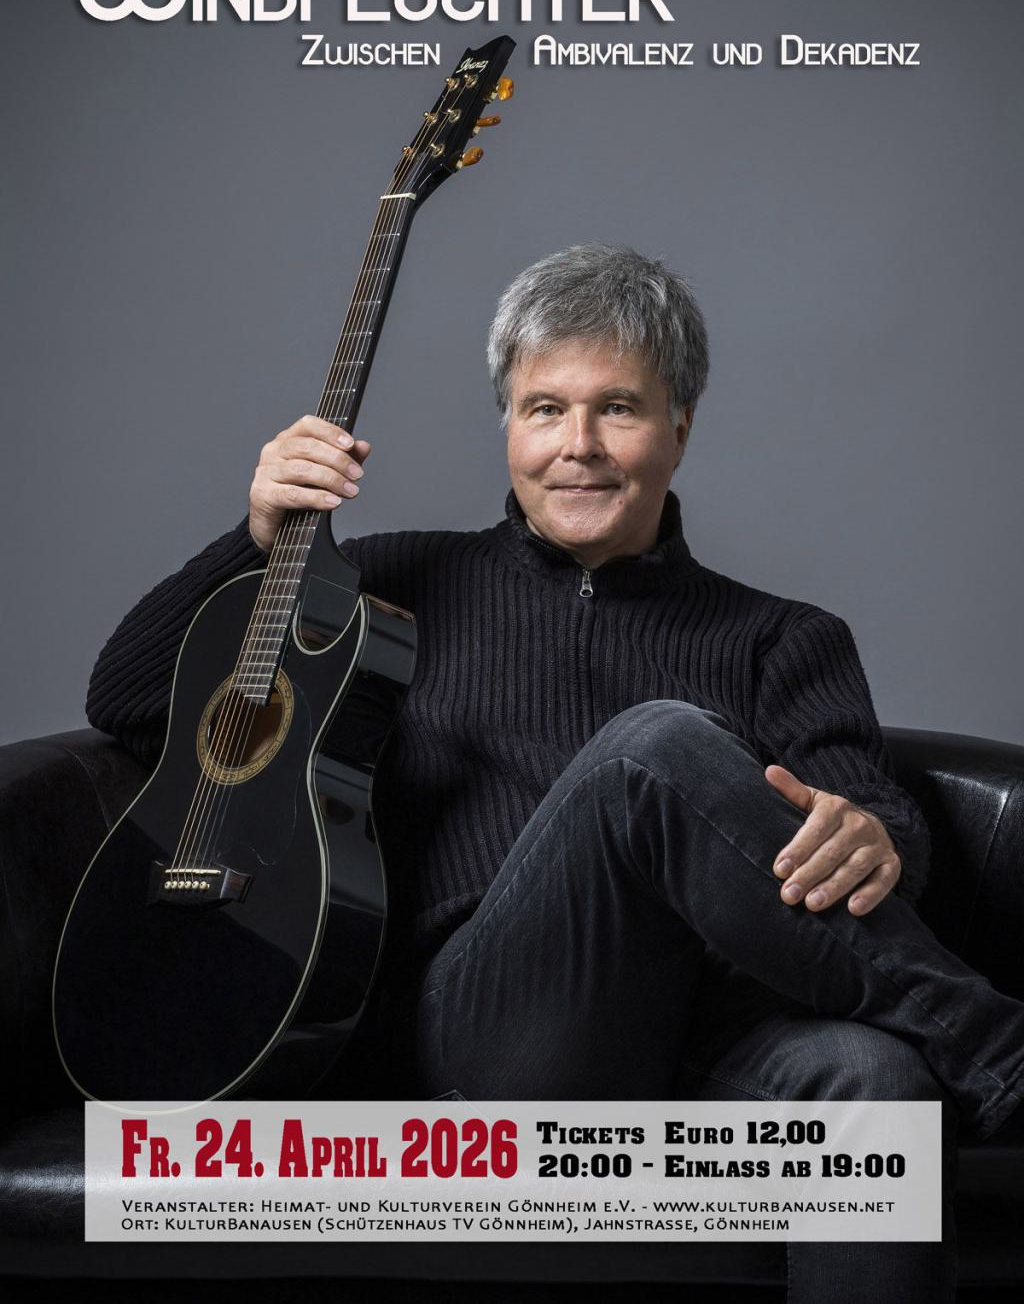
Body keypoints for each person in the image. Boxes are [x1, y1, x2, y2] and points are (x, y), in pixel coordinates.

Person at [87, 244, 1024, 1302]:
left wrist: (874, 836)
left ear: (680, 427)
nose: (578, 446)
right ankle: (1000, 1056)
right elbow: (129, 698)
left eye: (618, 408)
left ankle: (970, 1061)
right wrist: (255, 537)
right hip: (492, 1042)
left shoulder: (785, 637)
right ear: (509, 427)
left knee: (877, 1086)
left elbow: (886, 829)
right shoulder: (391, 590)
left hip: (712, 1042)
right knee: (652, 747)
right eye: (545, 410)